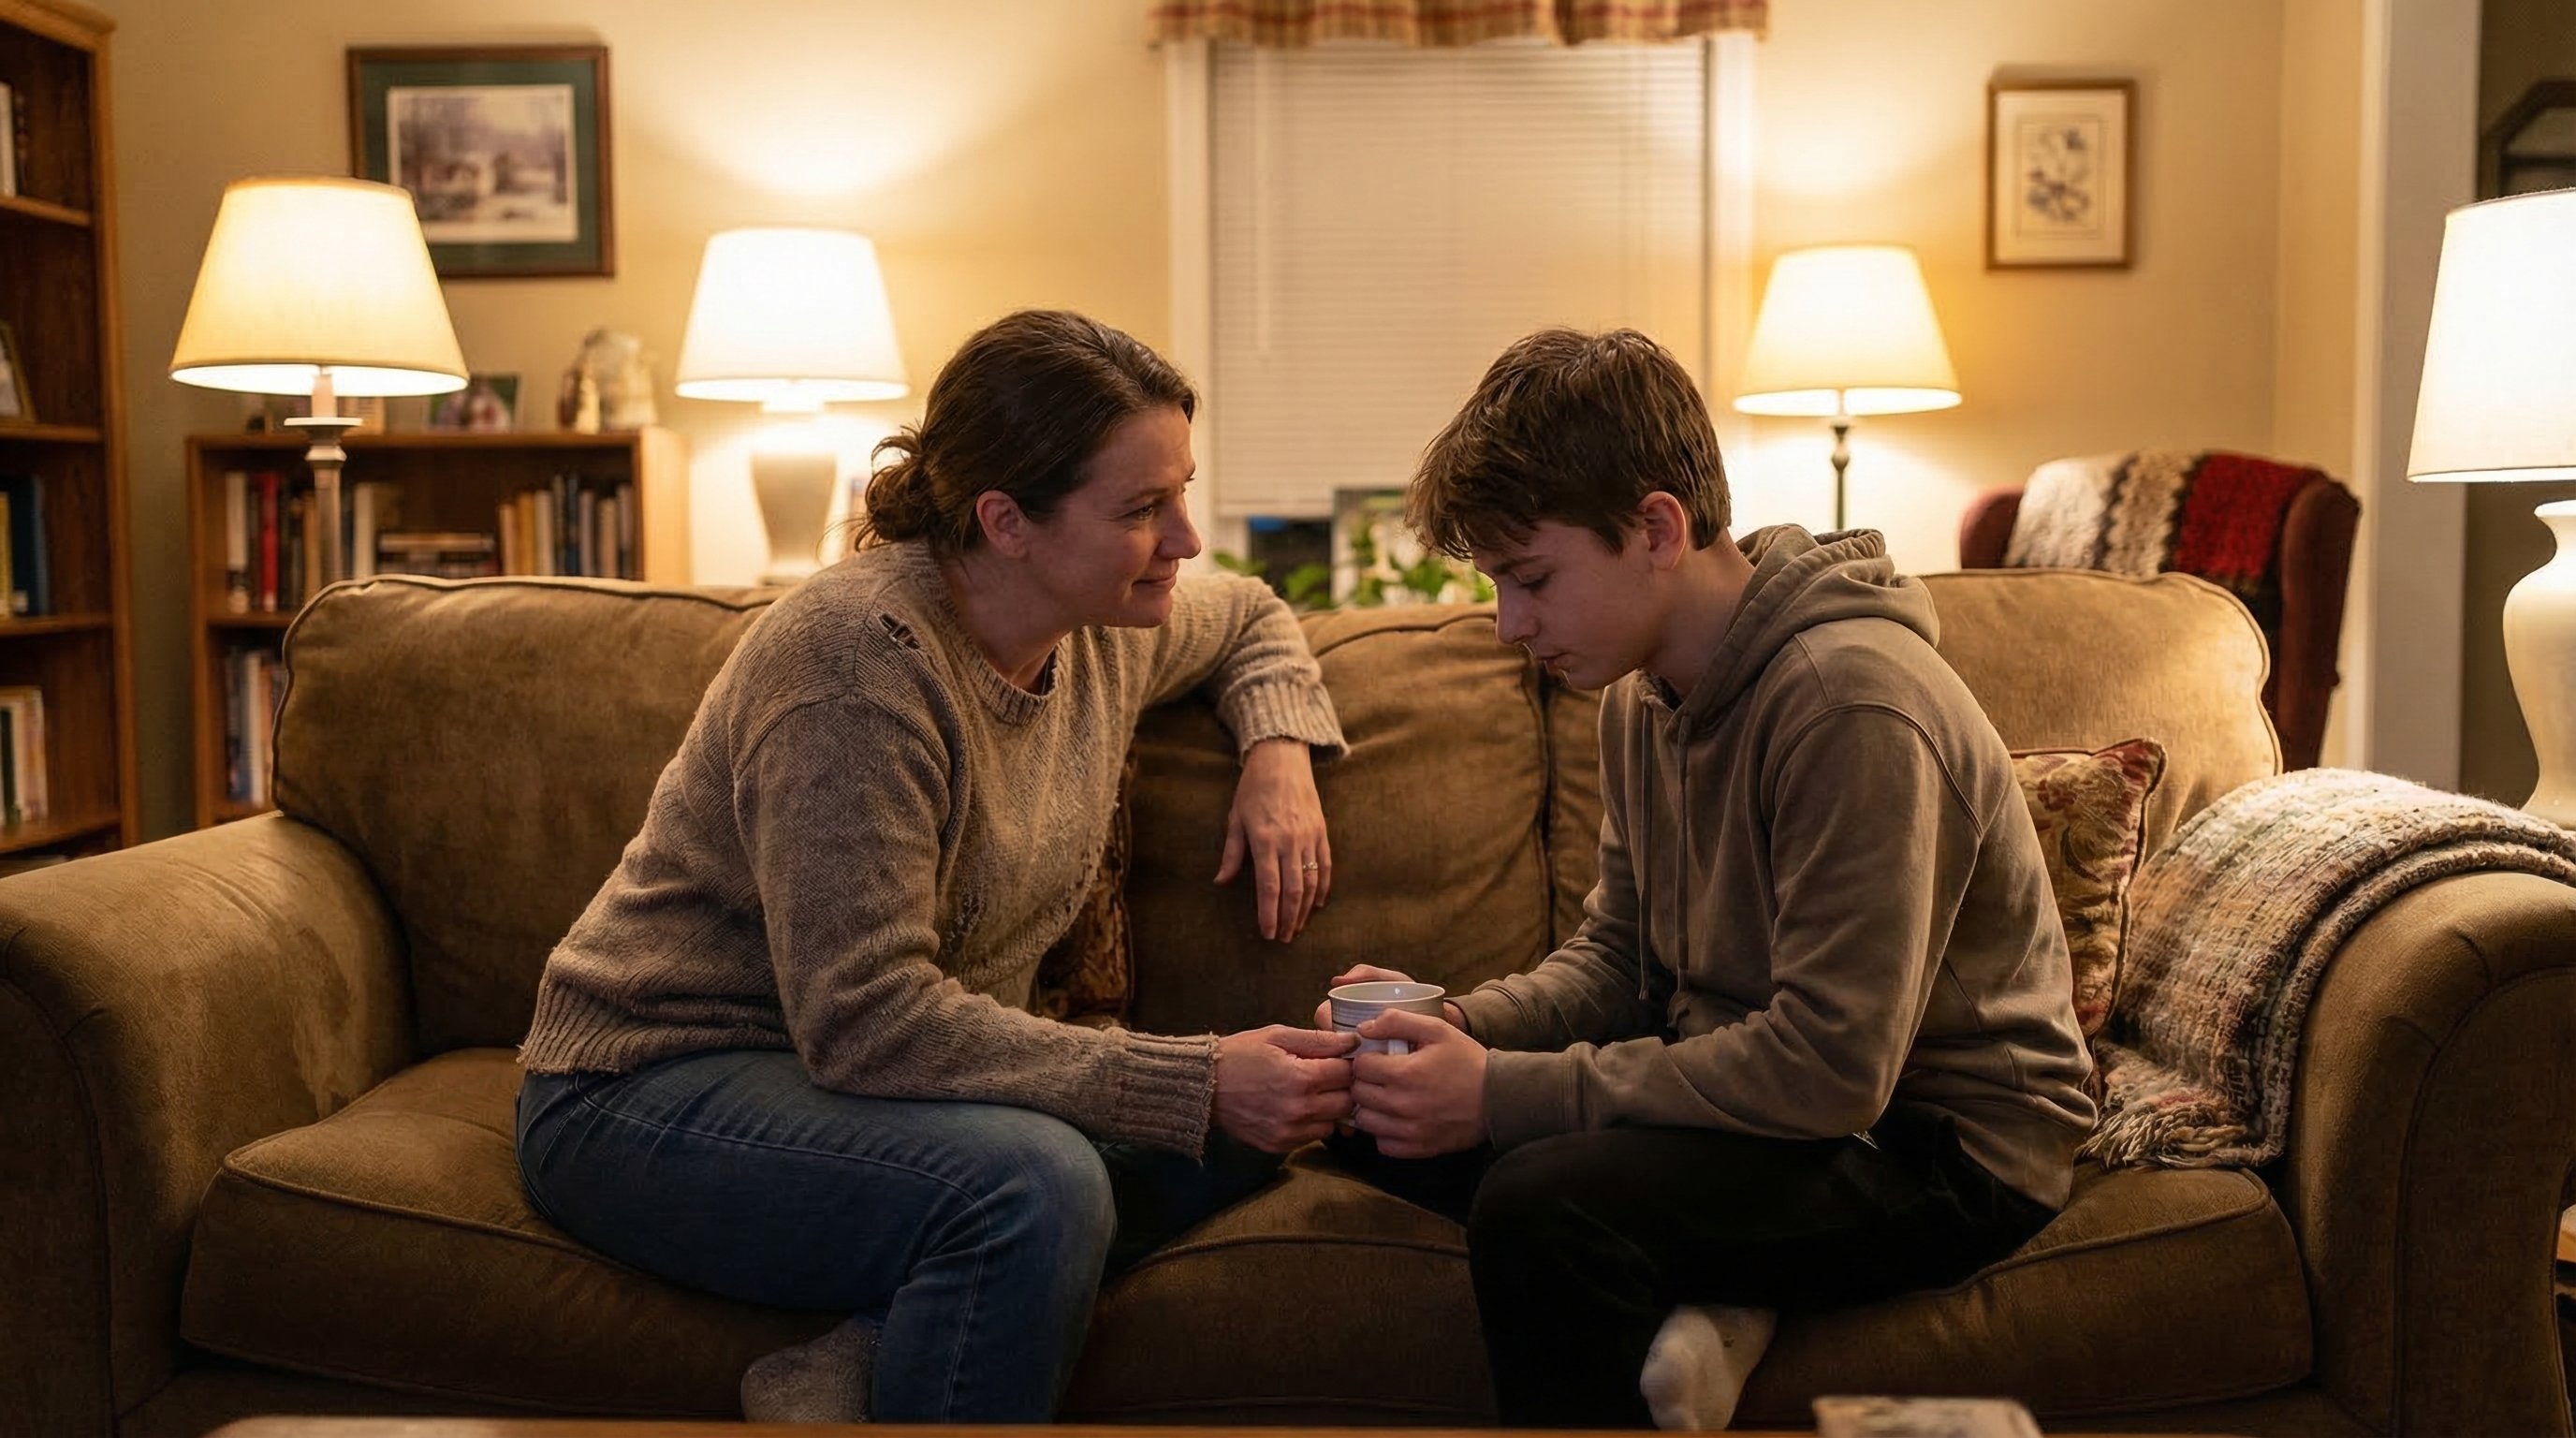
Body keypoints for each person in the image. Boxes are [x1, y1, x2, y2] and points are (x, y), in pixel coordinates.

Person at [515, 309, 1358, 1425]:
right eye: (1143, 509)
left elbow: (1252, 614)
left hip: (875, 1093)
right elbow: (864, 1019)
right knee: (1036, 1183)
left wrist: (1277, 750)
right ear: (1006, 521)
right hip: (653, 1083)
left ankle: (869, 1349)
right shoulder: (854, 666)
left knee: (1252, 1131)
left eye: (1182, 492)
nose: (1187, 539)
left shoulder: (1106, 623)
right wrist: (1190, 1073)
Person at [1322, 328, 2096, 1430]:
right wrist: (1453, 1030)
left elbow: (1834, 1068)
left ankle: (1722, 1281)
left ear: (1655, 528)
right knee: (1373, 1118)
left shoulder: (1849, 704)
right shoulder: (1643, 695)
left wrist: (1499, 1095)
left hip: (1942, 1144)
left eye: (1531, 578)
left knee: (1542, 1209)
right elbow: (1618, 963)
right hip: (1770, 1110)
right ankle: (1728, 1283)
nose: (1509, 624)